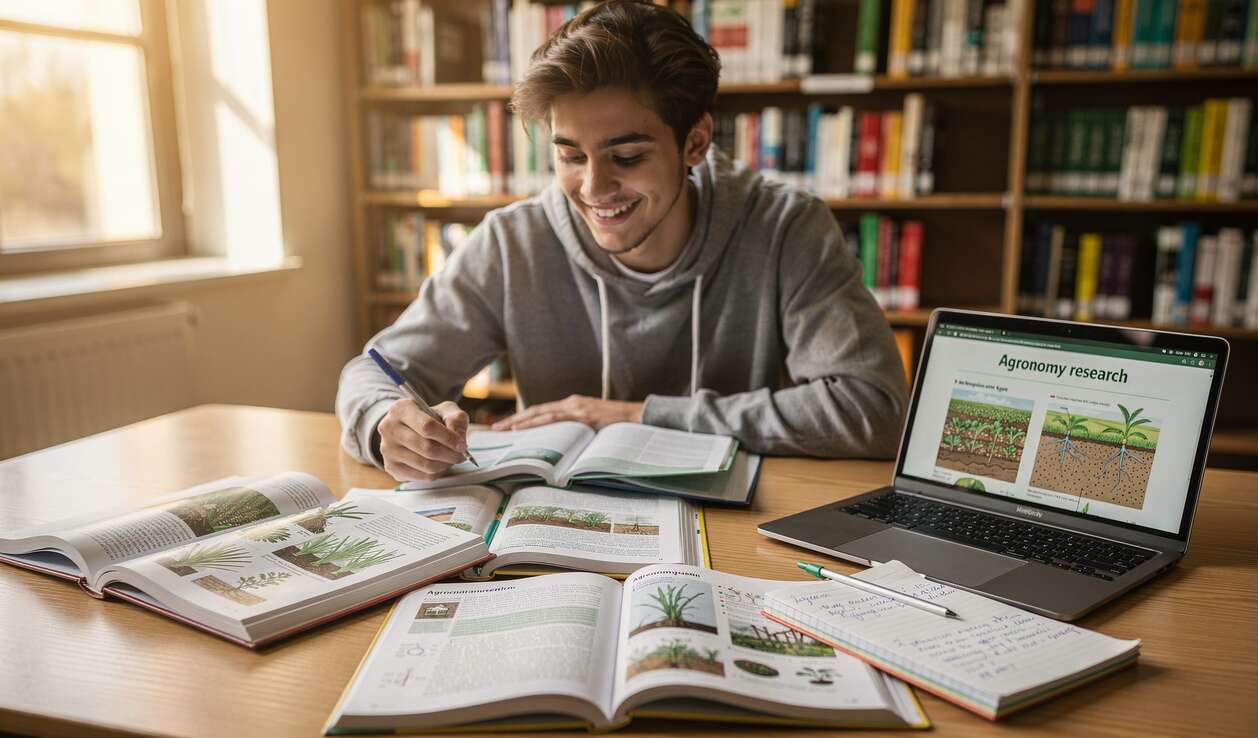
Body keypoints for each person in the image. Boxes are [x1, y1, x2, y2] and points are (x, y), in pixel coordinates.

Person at [337, 0, 907, 482]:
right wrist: (385, 421)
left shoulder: (786, 227)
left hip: (736, 535)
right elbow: (374, 372)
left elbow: (874, 407)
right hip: (552, 540)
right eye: (569, 156)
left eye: (627, 156)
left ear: (696, 142)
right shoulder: (514, 242)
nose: (593, 188)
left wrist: (635, 415)